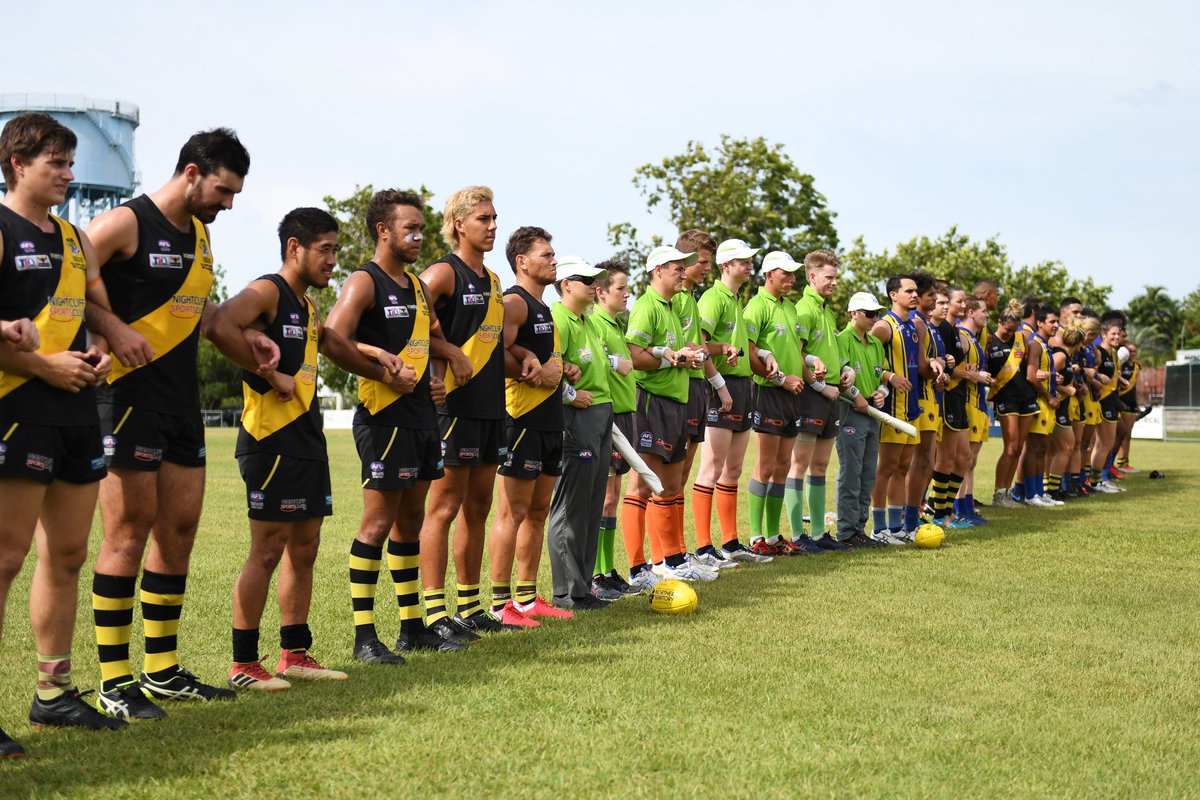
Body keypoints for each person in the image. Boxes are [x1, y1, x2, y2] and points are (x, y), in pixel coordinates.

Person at [83, 128, 250, 716]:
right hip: (125, 401)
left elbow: (200, 313)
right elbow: (59, 282)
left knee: (177, 534)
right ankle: (114, 680)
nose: (227, 205)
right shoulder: (125, 223)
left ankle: (161, 670)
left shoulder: (201, 238)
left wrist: (254, 347)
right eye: (223, 191)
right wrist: (112, 329)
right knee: (127, 534)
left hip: (181, 404)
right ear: (190, 172)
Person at [205, 208, 373, 690]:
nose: (333, 260)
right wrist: (266, 369)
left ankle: (294, 654)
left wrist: (381, 363)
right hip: (269, 441)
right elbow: (218, 325)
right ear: (294, 247)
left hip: (306, 439)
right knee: (267, 550)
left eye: (337, 250)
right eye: (326, 249)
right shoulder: (268, 291)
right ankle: (243, 664)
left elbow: (336, 346)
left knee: (305, 548)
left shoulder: (306, 306)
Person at [0, 113, 123, 748]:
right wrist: (41, 363)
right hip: (16, 407)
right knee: (5, 558)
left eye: (73, 164)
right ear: (19, 163)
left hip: (77, 413)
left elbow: (87, 312)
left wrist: (100, 345)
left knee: (67, 555)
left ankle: (52, 693)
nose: (70, 175)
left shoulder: (75, 238)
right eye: (57, 163)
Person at [323, 189, 470, 661]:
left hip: (423, 419)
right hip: (383, 419)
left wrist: (443, 366)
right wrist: (384, 366)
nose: (418, 236)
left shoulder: (417, 287)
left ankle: (412, 627)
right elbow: (332, 338)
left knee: (410, 523)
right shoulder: (363, 283)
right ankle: (365, 637)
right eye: (409, 228)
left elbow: (434, 339)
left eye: (422, 229)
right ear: (383, 231)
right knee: (377, 523)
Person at [417, 187, 512, 635]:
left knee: (479, 506)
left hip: (491, 407)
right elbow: (404, 325)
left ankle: (470, 607)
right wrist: (448, 352)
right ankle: (435, 614)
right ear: (459, 224)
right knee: (444, 507)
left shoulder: (494, 281)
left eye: (495, 218)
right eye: (483, 219)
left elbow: (494, 345)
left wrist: (525, 359)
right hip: (452, 407)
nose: (493, 226)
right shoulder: (441, 274)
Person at [487, 227, 571, 626]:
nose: (554, 261)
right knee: (512, 513)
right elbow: (493, 352)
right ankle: (500, 604)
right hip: (520, 420)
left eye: (554, 255)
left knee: (538, 512)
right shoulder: (514, 303)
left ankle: (526, 596)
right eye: (547, 255)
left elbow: (539, 360)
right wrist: (533, 374)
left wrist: (560, 369)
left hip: (550, 421)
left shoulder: (545, 308)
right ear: (522, 262)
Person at [622, 245, 709, 583]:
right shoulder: (647, 307)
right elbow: (633, 355)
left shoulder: (672, 307)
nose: (683, 273)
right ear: (658, 270)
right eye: (676, 268)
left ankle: (672, 560)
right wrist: (671, 357)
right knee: (644, 486)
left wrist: (686, 356)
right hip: (651, 402)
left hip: (676, 401)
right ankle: (637, 568)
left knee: (671, 486)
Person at [692, 239, 771, 564]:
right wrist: (720, 379)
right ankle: (703, 546)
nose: (749, 265)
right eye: (742, 261)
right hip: (719, 389)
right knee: (710, 468)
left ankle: (730, 543)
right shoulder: (713, 298)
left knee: (733, 469)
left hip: (743, 387)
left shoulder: (736, 299)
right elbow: (700, 344)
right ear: (726, 265)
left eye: (750, 260)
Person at [548, 255, 616, 609]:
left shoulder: (587, 321)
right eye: (585, 279)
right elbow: (547, 370)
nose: (593, 285)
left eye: (594, 279)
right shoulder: (558, 318)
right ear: (565, 285)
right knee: (570, 506)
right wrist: (571, 397)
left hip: (601, 416)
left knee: (591, 506)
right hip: (577, 419)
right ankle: (565, 591)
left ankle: (582, 588)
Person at [672, 230, 732, 575]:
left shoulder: (692, 297)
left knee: (681, 473)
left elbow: (698, 346)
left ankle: (679, 552)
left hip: (695, 389)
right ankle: (670, 556)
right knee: (669, 478)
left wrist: (715, 381)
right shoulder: (677, 298)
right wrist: (720, 381)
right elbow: (691, 347)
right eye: (704, 262)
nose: (707, 268)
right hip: (677, 390)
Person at [743, 251, 810, 556]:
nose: (792, 279)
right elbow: (749, 350)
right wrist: (781, 379)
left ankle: (772, 536)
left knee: (783, 466)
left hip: (793, 394)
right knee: (766, 466)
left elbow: (795, 349)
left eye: (795, 274)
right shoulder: (756, 306)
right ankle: (755, 536)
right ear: (769, 274)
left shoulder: (791, 308)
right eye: (787, 273)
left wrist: (810, 366)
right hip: (769, 392)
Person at [585, 261, 645, 595]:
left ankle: (607, 571)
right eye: (621, 288)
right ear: (601, 292)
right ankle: (595, 574)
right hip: (606, 417)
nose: (627, 294)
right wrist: (612, 362)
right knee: (604, 498)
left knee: (612, 498)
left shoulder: (615, 324)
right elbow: (587, 359)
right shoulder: (595, 323)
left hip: (624, 416)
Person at [788, 250, 852, 552]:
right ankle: (797, 535)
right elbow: (797, 355)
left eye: (836, 277)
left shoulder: (826, 310)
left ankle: (816, 533)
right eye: (829, 277)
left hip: (830, 396)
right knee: (799, 465)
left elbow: (829, 353)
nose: (834, 282)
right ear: (812, 276)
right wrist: (818, 386)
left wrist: (845, 370)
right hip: (813, 397)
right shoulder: (804, 309)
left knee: (821, 465)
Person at [832, 292, 889, 548]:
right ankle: (846, 532)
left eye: (877, 313)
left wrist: (882, 393)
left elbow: (882, 376)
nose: (874, 318)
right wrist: (856, 396)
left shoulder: (876, 343)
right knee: (851, 474)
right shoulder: (842, 339)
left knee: (868, 475)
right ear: (854, 313)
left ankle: (860, 529)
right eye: (869, 314)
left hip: (871, 414)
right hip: (850, 412)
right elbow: (840, 379)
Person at [869, 275, 923, 543]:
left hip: (911, 408)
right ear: (893, 295)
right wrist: (889, 377)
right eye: (909, 291)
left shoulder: (913, 326)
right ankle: (878, 529)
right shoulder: (884, 326)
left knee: (903, 466)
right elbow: (864, 358)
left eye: (916, 291)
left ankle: (896, 527)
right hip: (891, 408)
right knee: (886, 468)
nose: (915, 295)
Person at [986, 300, 1036, 507]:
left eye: (1014, 327)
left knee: (1018, 449)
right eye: (1007, 328)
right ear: (1000, 321)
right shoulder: (990, 341)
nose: (1010, 332)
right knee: (1010, 447)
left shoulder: (1021, 339)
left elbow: (1026, 366)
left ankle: (1007, 494)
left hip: (1025, 397)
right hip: (1005, 399)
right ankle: (998, 494)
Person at [1020, 306, 1062, 506]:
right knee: (1034, 448)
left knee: (1042, 448)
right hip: (1038, 402)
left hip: (1048, 403)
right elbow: (1031, 376)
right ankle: (1030, 494)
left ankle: (1039, 491)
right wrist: (1048, 395)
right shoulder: (1035, 344)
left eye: (1057, 322)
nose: (1056, 325)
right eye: (1052, 321)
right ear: (1040, 322)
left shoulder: (1045, 345)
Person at [1088, 319, 1125, 493]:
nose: (1117, 337)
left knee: (1106, 443)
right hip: (1102, 400)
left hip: (1112, 399)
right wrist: (1099, 378)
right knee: (1103, 443)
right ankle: (1097, 481)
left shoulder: (1113, 354)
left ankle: (1099, 480)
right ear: (1104, 335)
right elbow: (1091, 373)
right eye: (1113, 334)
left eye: (1118, 334)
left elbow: (1113, 375)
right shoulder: (1100, 352)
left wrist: (1121, 381)